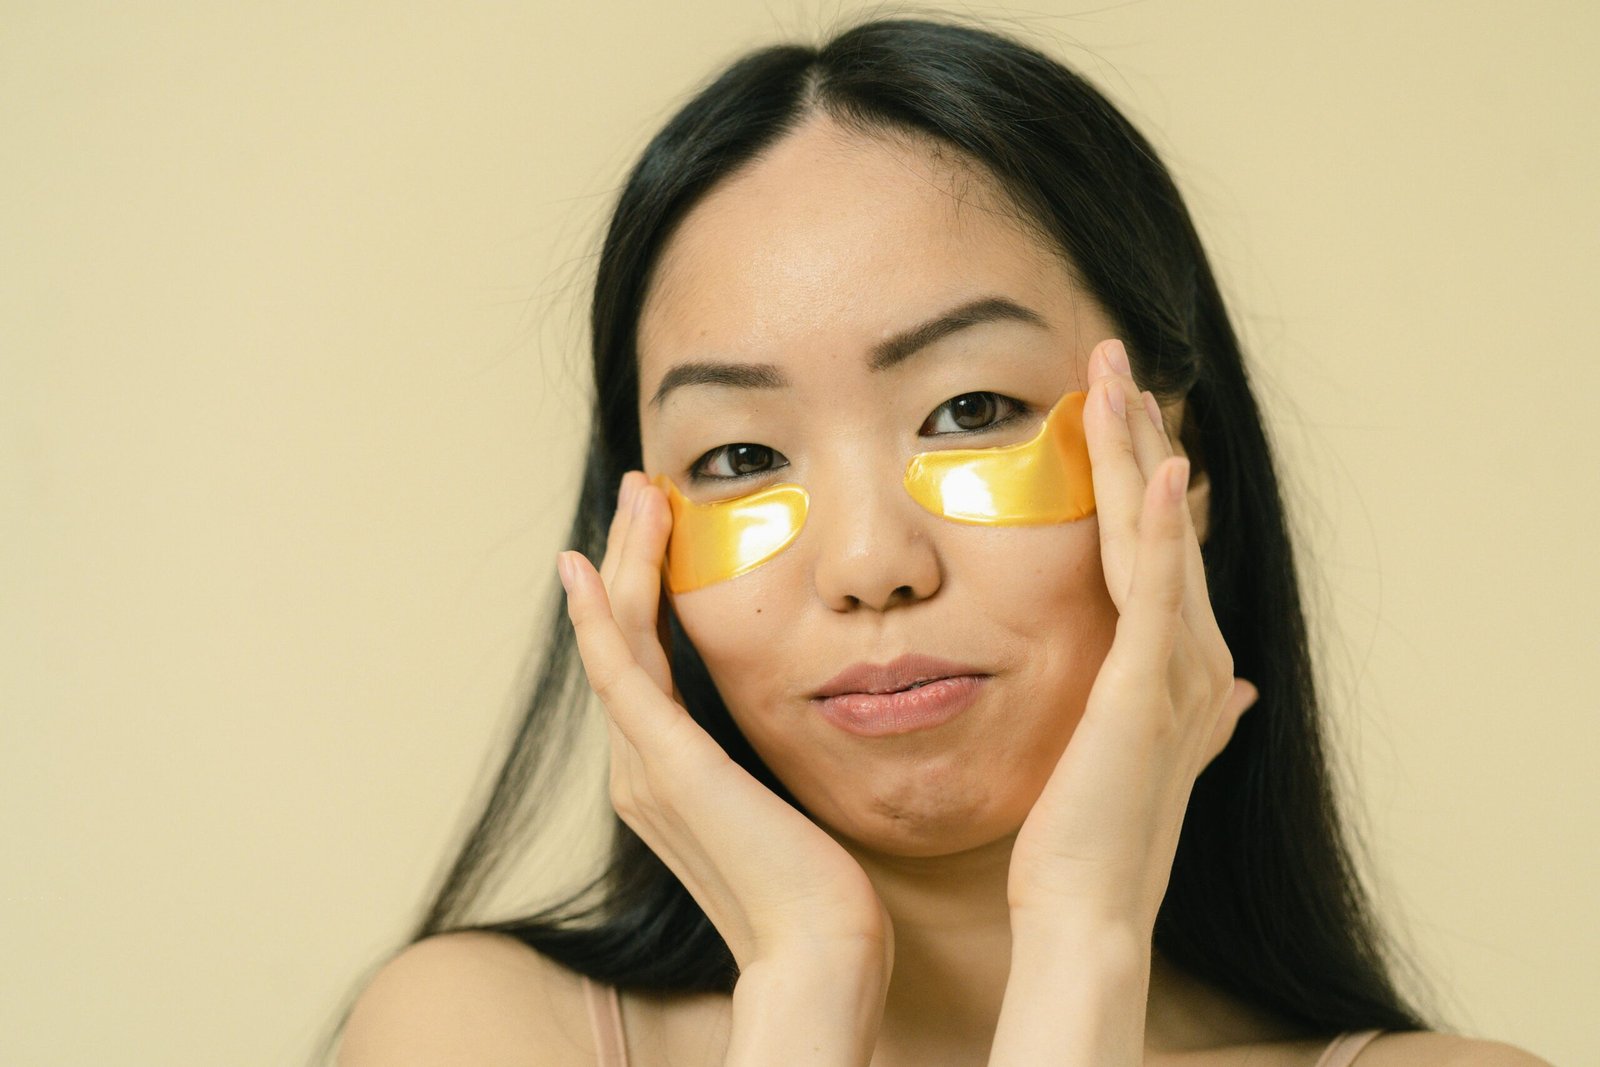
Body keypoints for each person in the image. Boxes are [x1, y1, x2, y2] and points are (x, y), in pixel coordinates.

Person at [328, 15, 1548, 1066]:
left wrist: (1083, 945)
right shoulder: (478, 1029)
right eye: (740, 457)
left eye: (971, 413)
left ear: (1180, 474)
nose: (870, 565)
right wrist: (807, 976)